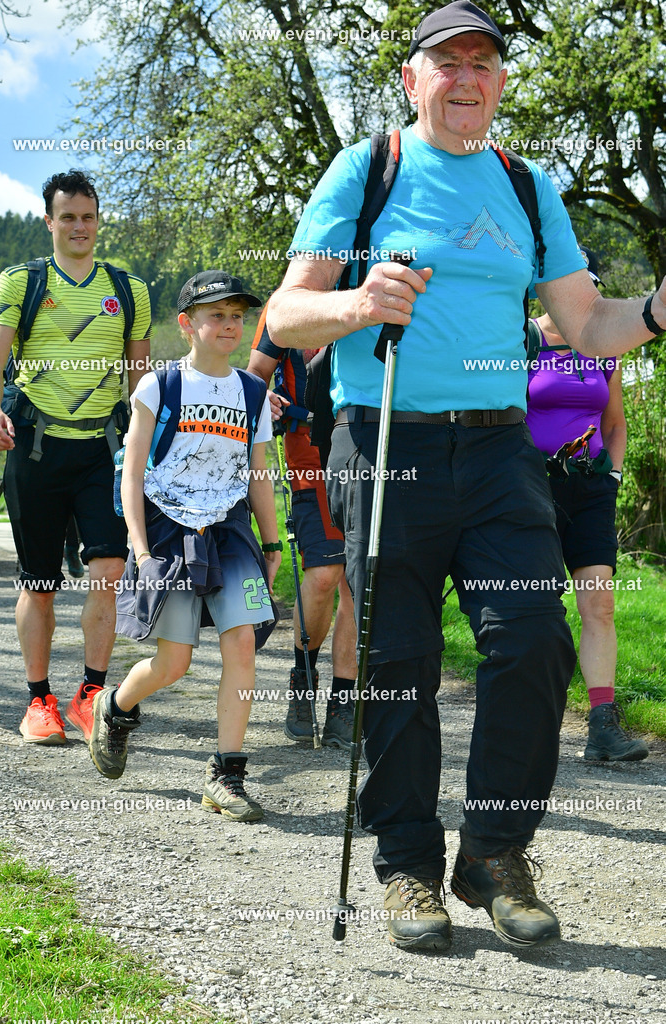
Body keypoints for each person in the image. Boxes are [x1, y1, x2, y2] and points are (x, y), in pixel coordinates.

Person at [267, 0, 666, 954]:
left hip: (498, 449)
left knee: (530, 639)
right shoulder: (369, 170)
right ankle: (407, 866)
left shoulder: (528, 189)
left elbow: (588, 327)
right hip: (386, 433)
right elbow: (284, 317)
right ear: (413, 80)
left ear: (498, 83)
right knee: (398, 659)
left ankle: (493, 854)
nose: (469, 78)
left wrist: (654, 305)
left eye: (484, 63)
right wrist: (359, 301)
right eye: (448, 62)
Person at [88, 270, 281, 823]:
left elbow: (258, 474)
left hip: (230, 532)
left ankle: (226, 776)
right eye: (216, 315)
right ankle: (116, 708)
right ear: (187, 324)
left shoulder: (252, 392)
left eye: (237, 316)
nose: (229, 325)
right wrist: (141, 549)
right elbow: (131, 472)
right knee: (174, 662)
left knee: (240, 644)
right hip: (171, 531)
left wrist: (272, 543)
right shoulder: (159, 384)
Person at [0, 169, 151, 747]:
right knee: (39, 582)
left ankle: (91, 694)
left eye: (88, 217)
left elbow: (140, 377)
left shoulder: (128, 287)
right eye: (68, 217)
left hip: (102, 451)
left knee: (108, 571)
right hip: (35, 446)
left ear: (98, 221)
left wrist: (147, 440)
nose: (80, 227)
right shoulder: (19, 282)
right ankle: (38, 700)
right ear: (49, 221)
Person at [526, 246, 648, 762]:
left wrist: (613, 475)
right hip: (532, 488)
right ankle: (530, 721)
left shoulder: (602, 346)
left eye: (590, 284)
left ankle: (602, 726)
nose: (584, 293)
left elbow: (615, 421)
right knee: (536, 608)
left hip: (591, 487)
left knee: (599, 602)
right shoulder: (523, 338)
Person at [247, 303, 358, 749]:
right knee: (324, 575)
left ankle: (344, 703)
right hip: (310, 463)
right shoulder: (285, 307)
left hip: (368, 461)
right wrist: (266, 399)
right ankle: (303, 675)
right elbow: (255, 376)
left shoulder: (370, 293)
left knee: (358, 583)